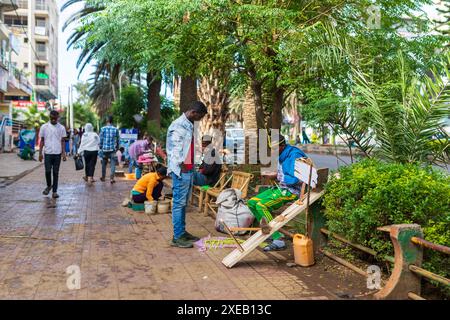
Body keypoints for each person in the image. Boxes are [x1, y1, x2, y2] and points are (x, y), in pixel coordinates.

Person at [247, 135, 309, 251]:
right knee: (251, 203)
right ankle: (270, 231)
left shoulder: (294, 155)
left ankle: (278, 239)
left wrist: (278, 176)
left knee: (261, 206)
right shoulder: (283, 154)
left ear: (282, 145)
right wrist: (275, 175)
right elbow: (286, 173)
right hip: (282, 188)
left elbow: (297, 179)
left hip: (291, 191)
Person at [166, 101, 208, 248]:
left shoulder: (188, 124)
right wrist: (183, 166)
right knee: (178, 203)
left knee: (183, 203)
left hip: (188, 169)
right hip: (181, 171)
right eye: (200, 117)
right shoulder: (178, 126)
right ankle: (177, 237)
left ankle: (182, 232)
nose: (200, 120)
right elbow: (174, 148)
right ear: (193, 112)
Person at [38, 110, 67, 199]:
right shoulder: (44, 127)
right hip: (48, 153)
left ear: (57, 118)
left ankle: (54, 192)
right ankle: (49, 185)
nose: (54, 120)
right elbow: (42, 140)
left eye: (55, 118)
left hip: (57, 153)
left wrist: (63, 153)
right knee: (47, 171)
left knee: (55, 172)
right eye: (52, 118)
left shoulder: (61, 128)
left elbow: (62, 141)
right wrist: (40, 153)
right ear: (49, 117)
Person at [99, 115, 120, 183]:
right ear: (112, 121)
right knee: (113, 164)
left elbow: (101, 139)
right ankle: (111, 178)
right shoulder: (115, 129)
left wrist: (100, 146)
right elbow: (118, 139)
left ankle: (103, 177)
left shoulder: (103, 129)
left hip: (104, 149)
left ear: (107, 120)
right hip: (112, 149)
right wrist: (117, 147)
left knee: (104, 164)